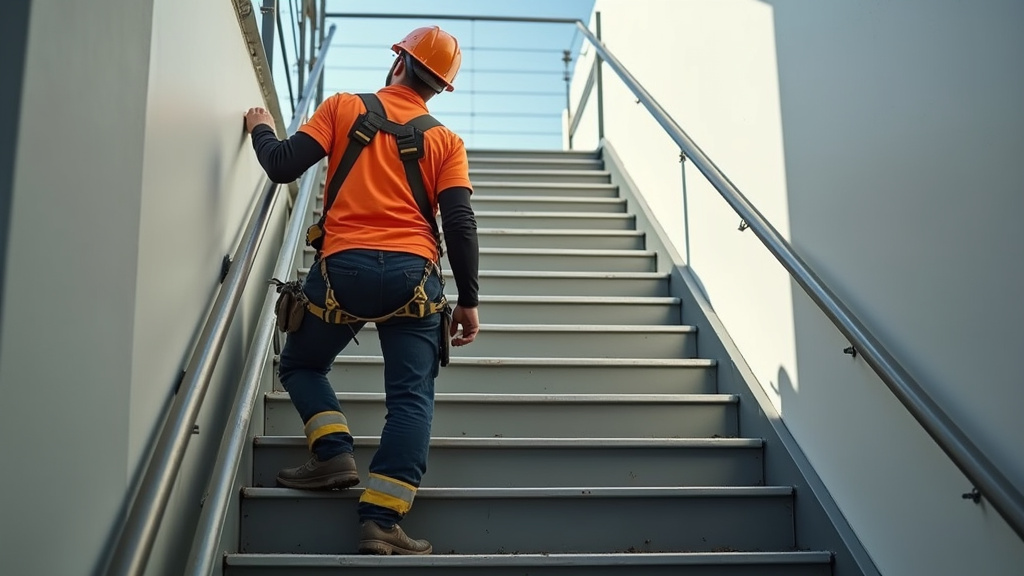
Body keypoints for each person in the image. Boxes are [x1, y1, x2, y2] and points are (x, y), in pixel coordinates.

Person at [243, 25, 480, 555]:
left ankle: (332, 452)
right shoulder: (447, 142)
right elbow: (460, 223)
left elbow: (281, 165)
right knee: (411, 400)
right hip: (414, 279)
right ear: (440, 88)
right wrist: (469, 300)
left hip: (340, 273)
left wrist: (261, 128)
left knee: (301, 365)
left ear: (398, 62)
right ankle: (381, 520)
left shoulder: (342, 107)